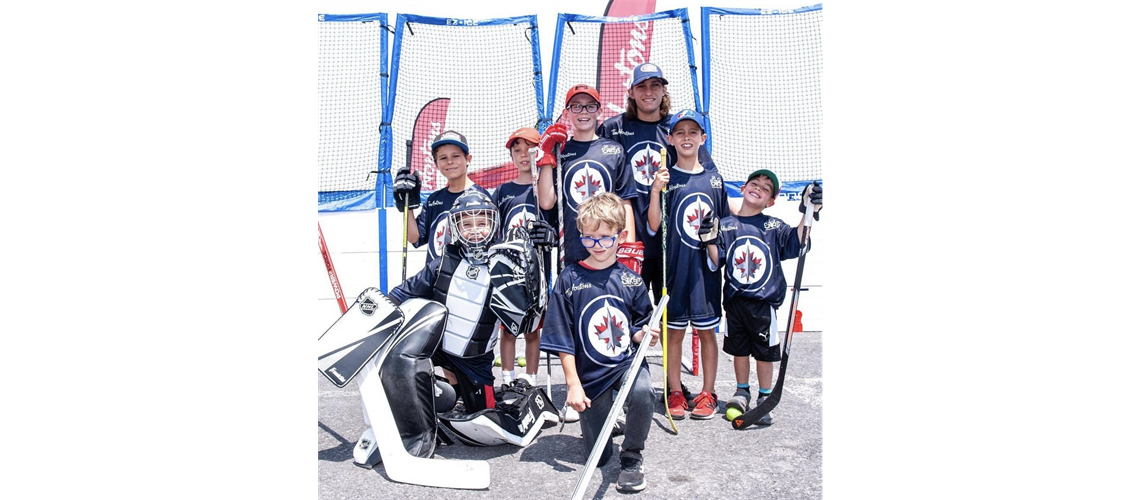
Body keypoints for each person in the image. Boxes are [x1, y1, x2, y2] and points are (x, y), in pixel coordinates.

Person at [599, 63, 714, 405]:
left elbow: (708, 178)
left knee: (668, 319)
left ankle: (672, 386)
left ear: (664, 90)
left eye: (655, 85)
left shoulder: (678, 128)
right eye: (642, 86)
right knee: (623, 315)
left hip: (672, 245)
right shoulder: (613, 128)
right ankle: (618, 383)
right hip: (627, 243)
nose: (649, 92)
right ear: (631, 92)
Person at [539, 192, 661, 494]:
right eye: (590, 238)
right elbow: (562, 337)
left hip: (624, 365)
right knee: (598, 457)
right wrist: (573, 385)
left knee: (644, 392)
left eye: (605, 237)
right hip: (590, 374)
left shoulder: (631, 279)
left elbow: (636, 325)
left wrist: (642, 334)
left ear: (620, 236)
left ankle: (632, 455)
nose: (598, 245)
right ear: (580, 236)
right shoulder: (568, 279)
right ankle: (605, 421)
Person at [536, 84, 639, 423]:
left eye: (589, 106)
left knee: (612, 321)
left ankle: (619, 395)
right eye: (575, 106)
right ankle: (577, 391)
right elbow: (548, 202)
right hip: (575, 251)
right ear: (568, 112)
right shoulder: (562, 149)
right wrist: (547, 160)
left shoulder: (612, 149)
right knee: (578, 324)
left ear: (598, 110)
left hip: (611, 252)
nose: (582, 112)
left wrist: (630, 248)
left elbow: (624, 201)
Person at [705, 169, 823, 425]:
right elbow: (718, 260)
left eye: (765, 188)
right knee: (738, 350)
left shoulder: (773, 226)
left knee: (765, 354)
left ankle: (765, 397)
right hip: (735, 302)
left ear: (770, 201)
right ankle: (742, 391)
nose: (758, 188)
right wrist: (709, 240)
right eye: (754, 183)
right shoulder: (726, 225)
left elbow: (797, 242)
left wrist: (808, 211)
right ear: (744, 187)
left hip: (762, 304)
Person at [647, 110, 730, 421]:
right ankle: (675, 391)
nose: (685, 137)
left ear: (702, 139)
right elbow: (654, 226)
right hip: (675, 271)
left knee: (707, 333)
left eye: (692, 132)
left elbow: (725, 226)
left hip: (705, 274)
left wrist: (716, 252)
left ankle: (708, 392)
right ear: (670, 139)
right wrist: (655, 190)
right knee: (674, 333)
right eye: (679, 132)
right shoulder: (667, 180)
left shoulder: (714, 179)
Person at [490, 127, 558, 394]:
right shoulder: (504, 190)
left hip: (537, 272)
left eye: (529, 150)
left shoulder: (546, 187)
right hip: (510, 273)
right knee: (508, 328)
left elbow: (553, 223)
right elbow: (496, 229)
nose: (523, 155)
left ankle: (529, 379)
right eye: (516, 150)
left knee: (533, 329)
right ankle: (507, 379)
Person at [395, 130, 492, 264]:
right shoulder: (434, 200)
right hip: (437, 278)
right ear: (436, 164)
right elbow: (414, 238)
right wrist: (407, 207)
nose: (450, 162)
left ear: (468, 159)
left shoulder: (482, 197)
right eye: (443, 158)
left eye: (456, 156)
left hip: (471, 278)